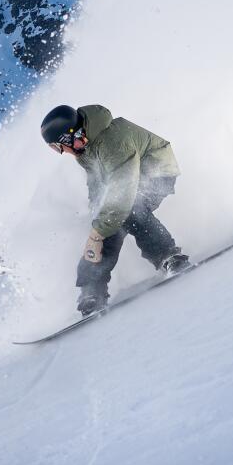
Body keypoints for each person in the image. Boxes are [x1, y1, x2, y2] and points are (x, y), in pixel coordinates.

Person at [40, 104, 189, 316]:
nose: (62, 152)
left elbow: (123, 192)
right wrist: (96, 224)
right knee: (105, 229)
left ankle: (169, 257)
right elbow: (97, 186)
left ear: (68, 137)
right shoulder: (85, 148)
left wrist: (100, 229)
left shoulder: (112, 141)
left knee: (129, 212)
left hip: (156, 172)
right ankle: (92, 290)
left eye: (58, 147)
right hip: (130, 180)